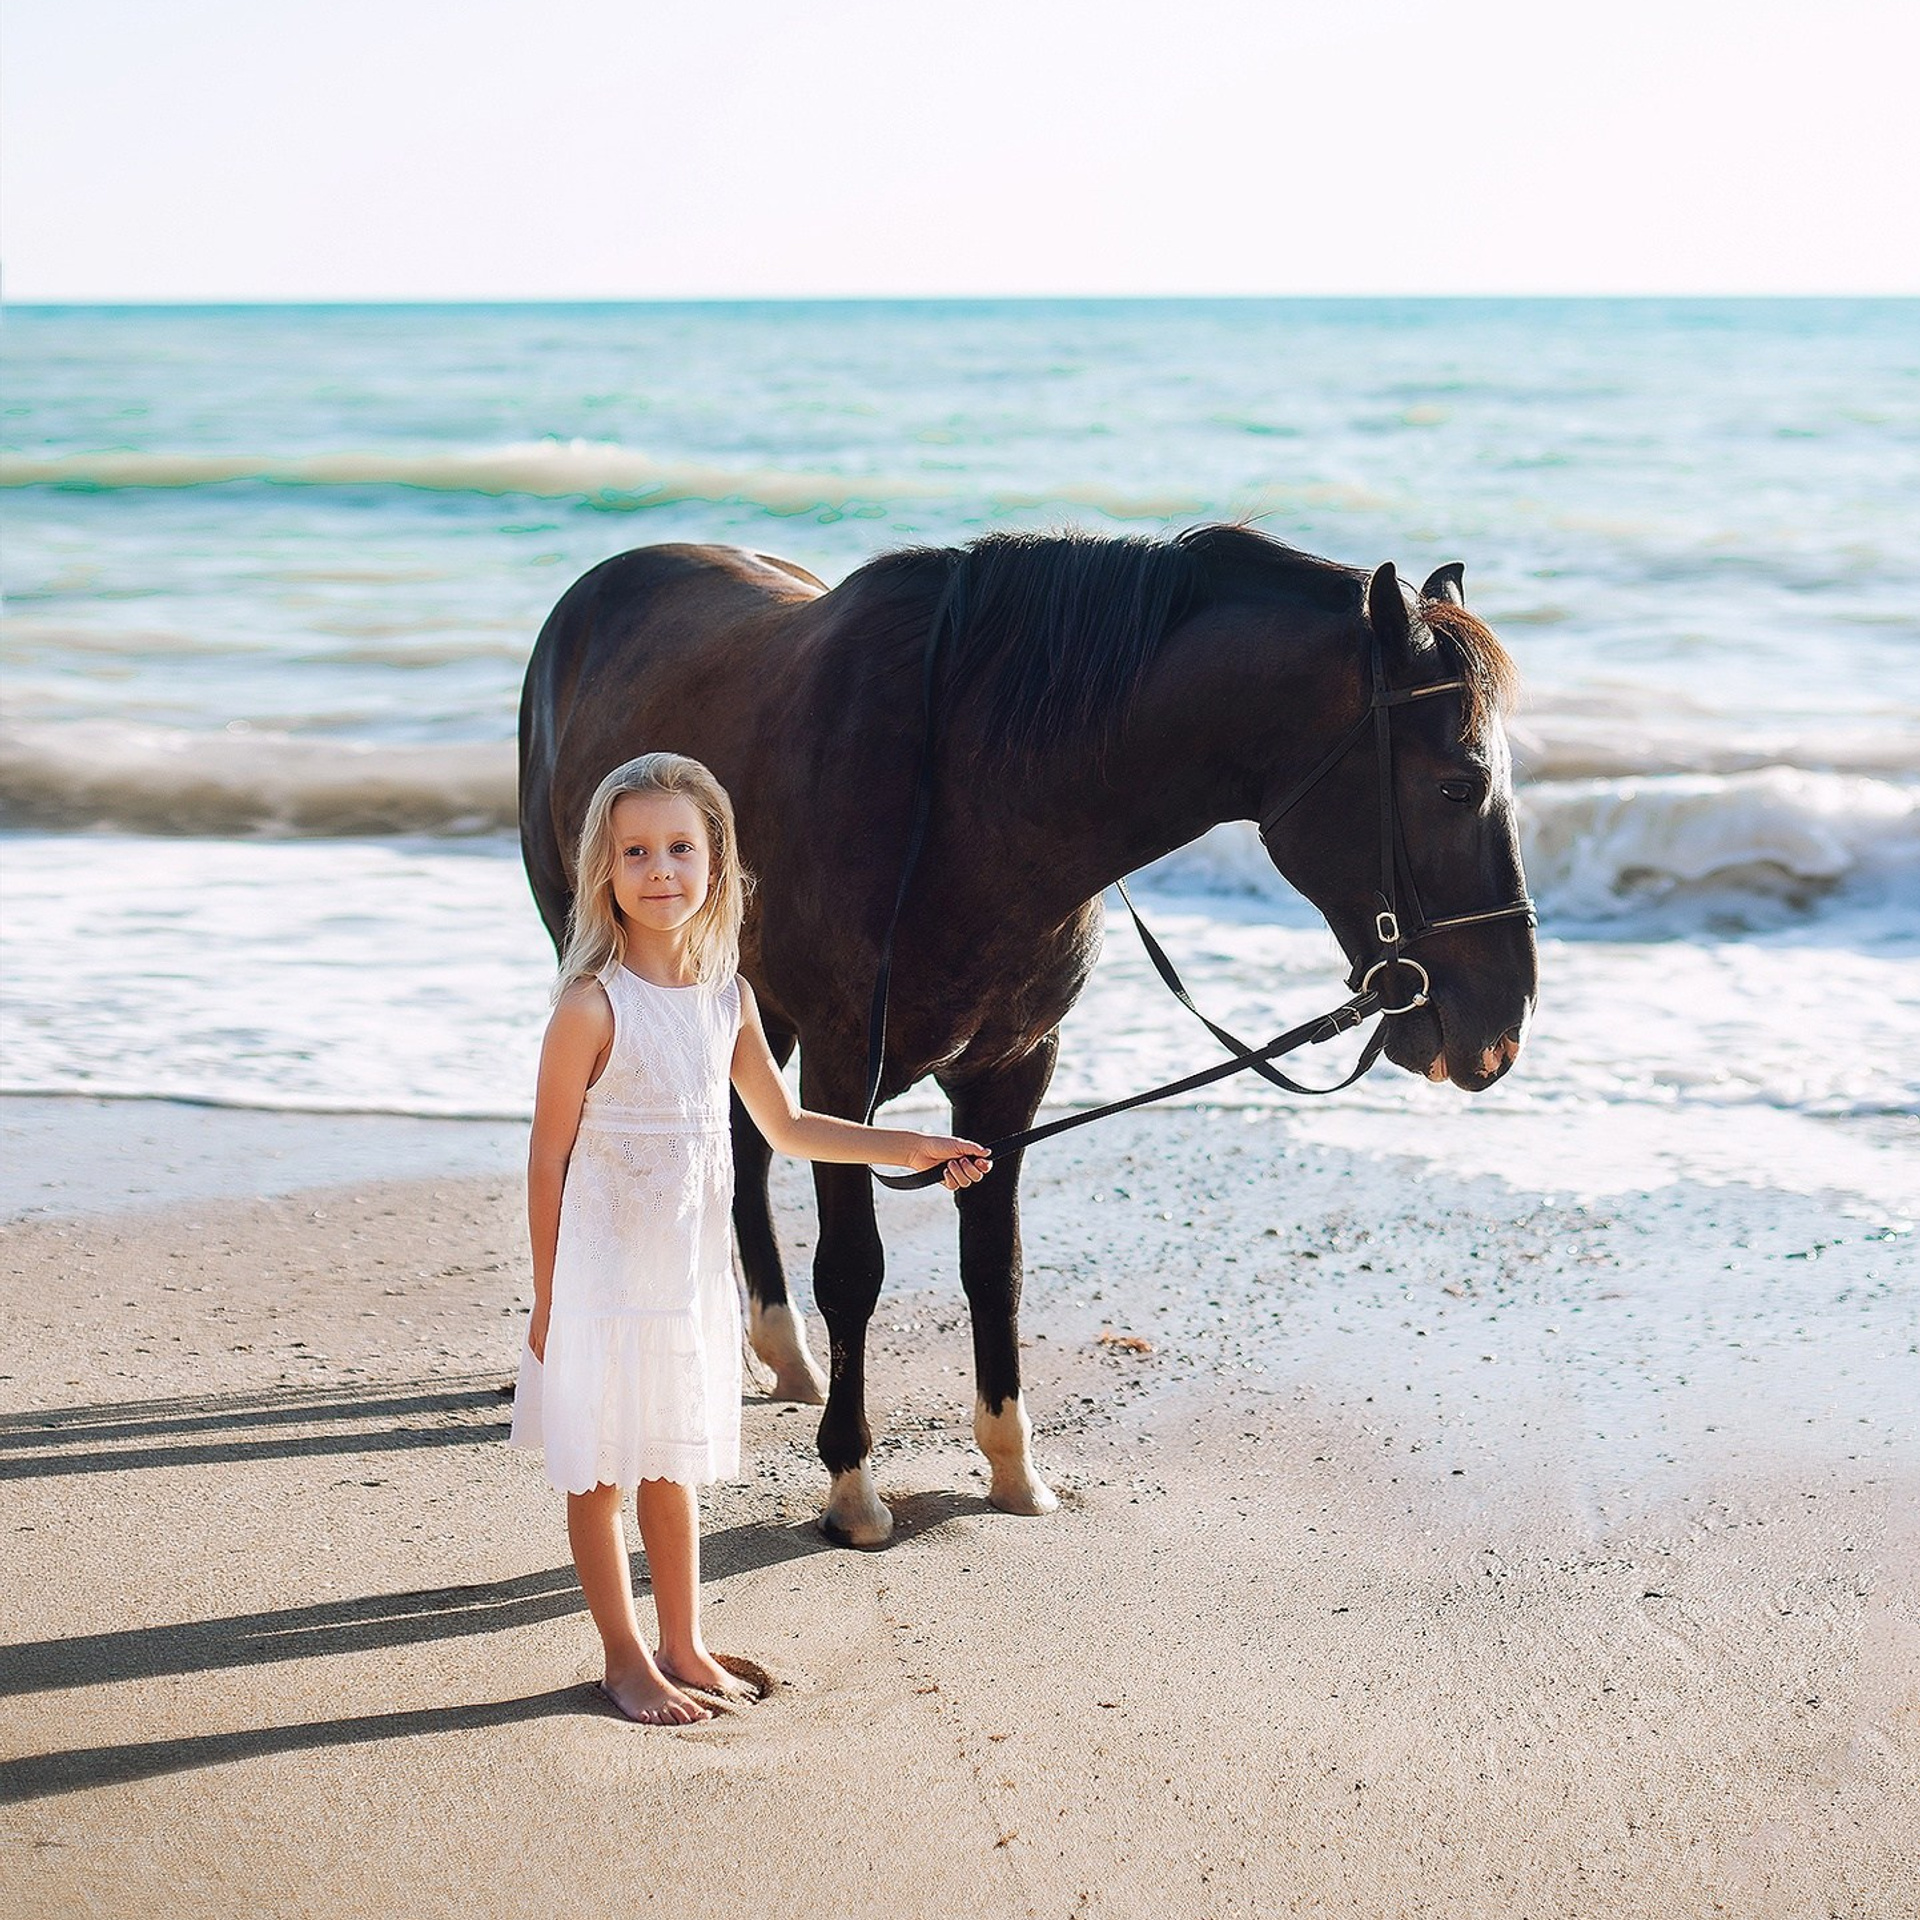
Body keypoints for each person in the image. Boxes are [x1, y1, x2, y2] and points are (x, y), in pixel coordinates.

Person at [508, 751, 990, 1725]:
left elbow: (791, 1129)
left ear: (717, 863)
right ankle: (625, 1657)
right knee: (601, 1474)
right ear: (603, 869)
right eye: (635, 850)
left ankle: (682, 1639)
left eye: (681, 848)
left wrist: (914, 1146)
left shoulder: (727, 1000)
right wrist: (550, 1298)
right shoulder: (590, 1008)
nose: (660, 870)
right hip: (601, 1282)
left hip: (688, 1278)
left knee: (669, 1465)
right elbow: (546, 1160)